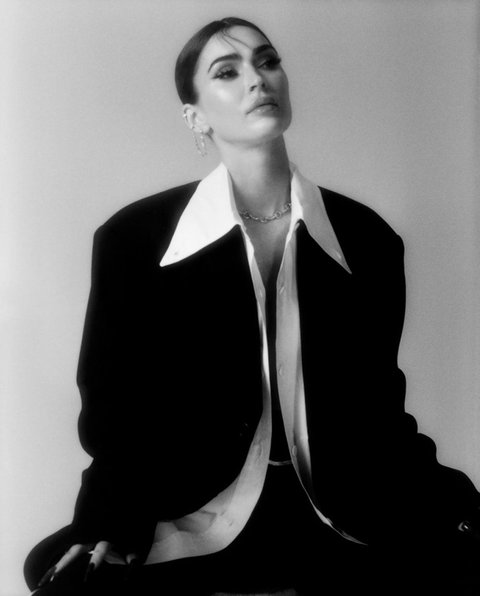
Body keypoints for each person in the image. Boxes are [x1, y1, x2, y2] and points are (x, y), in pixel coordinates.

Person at [24, 16, 480, 596]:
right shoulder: (133, 239)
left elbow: (378, 410)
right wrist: (106, 518)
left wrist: (456, 509)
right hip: (192, 515)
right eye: (227, 72)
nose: (258, 79)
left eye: (268, 62)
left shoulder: (368, 240)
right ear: (195, 116)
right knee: (66, 580)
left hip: (338, 513)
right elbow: (114, 406)